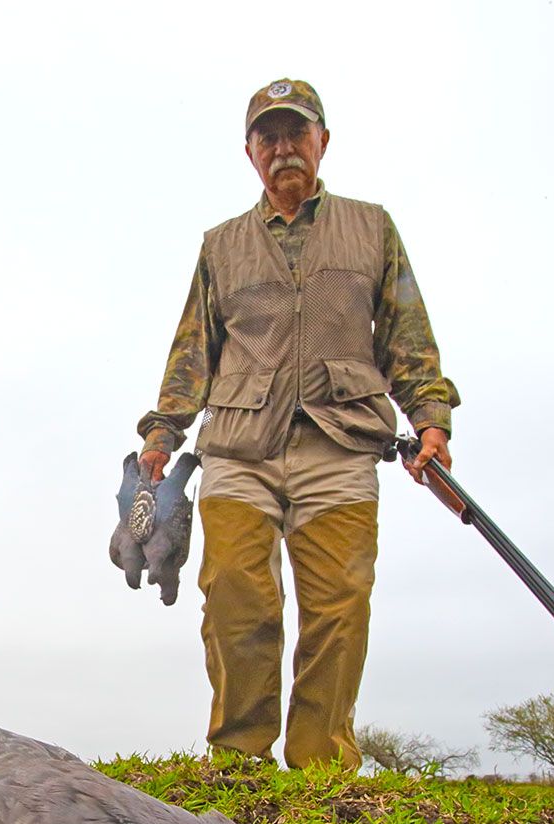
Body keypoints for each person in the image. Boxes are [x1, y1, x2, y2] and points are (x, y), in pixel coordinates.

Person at [135, 78, 460, 771]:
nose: (283, 148)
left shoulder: (370, 226)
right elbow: (194, 347)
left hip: (339, 445)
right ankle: (240, 764)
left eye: (296, 133)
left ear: (323, 142)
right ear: (250, 153)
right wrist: (163, 430)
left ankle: (321, 772)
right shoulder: (221, 245)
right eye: (268, 137)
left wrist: (430, 417)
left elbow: (407, 333)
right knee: (234, 597)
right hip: (240, 449)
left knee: (340, 609)